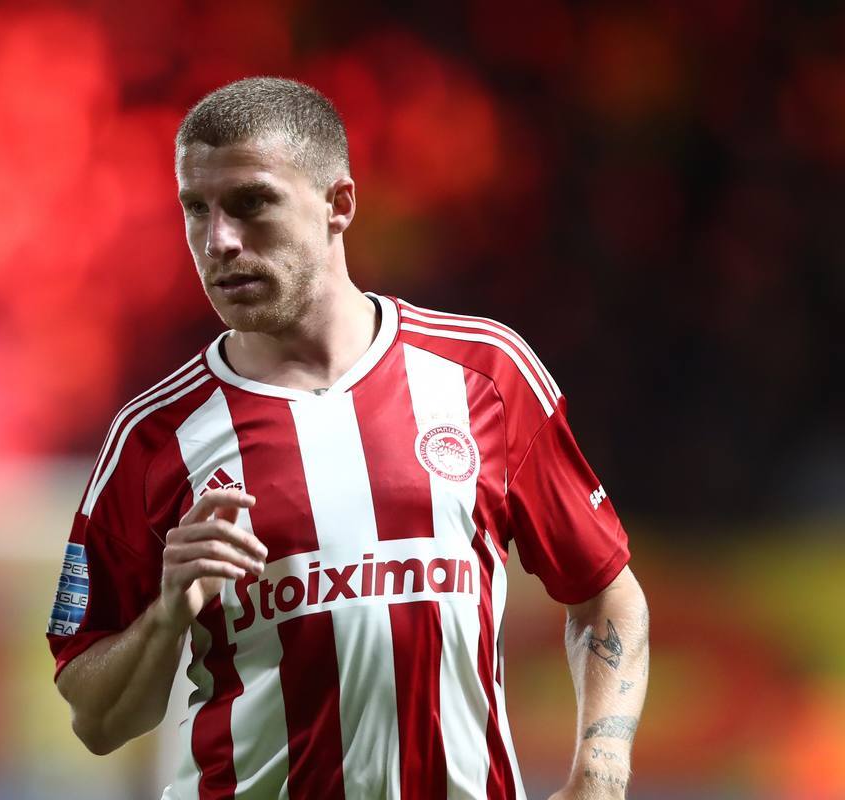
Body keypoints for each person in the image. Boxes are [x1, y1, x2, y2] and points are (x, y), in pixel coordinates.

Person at [48, 77, 650, 800]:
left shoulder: (484, 375)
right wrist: (167, 613)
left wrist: (600, 777)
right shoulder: (154, 438)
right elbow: (96, 720)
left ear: (338, 204)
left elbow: (606, 596)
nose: (218, 241)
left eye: (251, 203)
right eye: (196, 209)